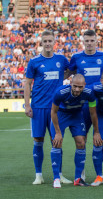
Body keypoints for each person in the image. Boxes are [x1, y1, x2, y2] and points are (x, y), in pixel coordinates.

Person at [24, 30, 71, 185]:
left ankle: (59, 174)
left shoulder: (61, 59)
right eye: (45, 41)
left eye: (50, 41)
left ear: (54, 42)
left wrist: (60, 78)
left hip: (56, 108)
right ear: (41, 43)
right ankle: (39, 175)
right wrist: (27, 105)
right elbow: (28, 83)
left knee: (56, 141)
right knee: (38, 140)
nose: (48, 43)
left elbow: (70, 71)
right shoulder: (34, 61)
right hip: (38, 107)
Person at [69, 30, 103, 182]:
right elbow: (70, 73)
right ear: (83, 41)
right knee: (82, 138)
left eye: (92, 40)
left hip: (100, 103)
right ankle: (81, 172)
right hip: (83, 104)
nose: (89, 43)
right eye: (86, 40)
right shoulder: (76, 57)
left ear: (96, 41)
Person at [50, 74, 101, 188]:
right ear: (70, 84)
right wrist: (58, 132)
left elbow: (93, 113)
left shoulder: (89, 93)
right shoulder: (60, 92)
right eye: (75, 86)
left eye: (80, 87)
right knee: (57, 143)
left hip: (76, 116)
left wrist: (96, 131)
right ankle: (56, 178)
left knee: (81, 143)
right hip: (61, 115)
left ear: (84, 85)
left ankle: (78, 178)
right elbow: (53, 112)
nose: (77, 89)